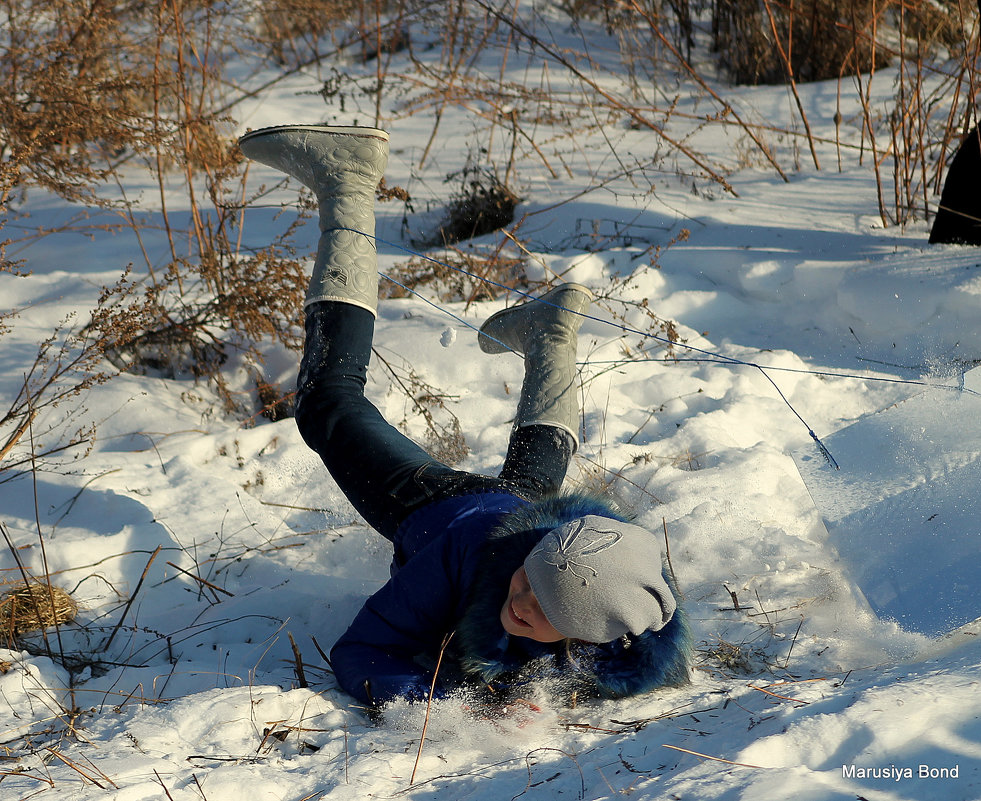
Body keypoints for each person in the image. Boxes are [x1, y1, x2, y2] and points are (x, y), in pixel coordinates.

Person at [238, 124, 692, 711]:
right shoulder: (481, 557)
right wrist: (463, 704)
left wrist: (531, 692)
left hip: (514, 517)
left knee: (527, 487)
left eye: (537, 605)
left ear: (589, 635)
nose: (518, 597)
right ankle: (346, 185)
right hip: (444, 511)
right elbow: (365, 650)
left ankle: (550, 333)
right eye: (527, 579)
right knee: (328, 405)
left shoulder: (627, 625)